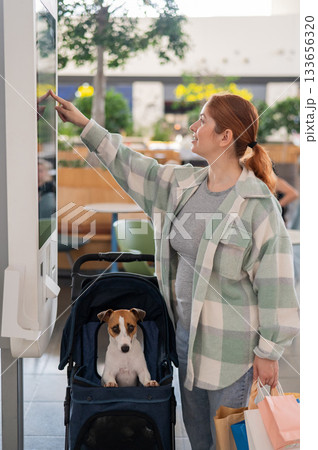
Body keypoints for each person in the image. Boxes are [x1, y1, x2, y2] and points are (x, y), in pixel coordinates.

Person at [49, 90, 299, 450]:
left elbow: (277, 285)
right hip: (186, 344)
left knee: (229, 443)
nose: (193, 127)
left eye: (203, 121)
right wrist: (86, 125)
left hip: (233, 351)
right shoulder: (184, 185)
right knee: (199, 439)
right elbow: (135, 166)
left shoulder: (258, 206)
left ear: (225, 137)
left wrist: (269, 352)